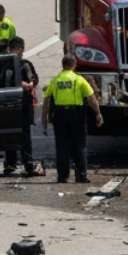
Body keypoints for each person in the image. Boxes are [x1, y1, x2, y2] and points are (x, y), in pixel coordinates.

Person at [41, 54, 102, 184]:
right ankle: (81, 175)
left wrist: (44, 117)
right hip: (77, 115)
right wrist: (98, 113)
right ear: (74, 65)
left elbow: (47, 99)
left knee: (62, 146)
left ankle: (62, 176)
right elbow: (91, 98)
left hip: (59, 115)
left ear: (63, 65)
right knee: (79, 145)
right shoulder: (79, 79)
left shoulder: (55, 80)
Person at [1, 37, 41, 177]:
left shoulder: (20, 65)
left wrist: (29, 85)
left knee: (21, 133)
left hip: (16, 103)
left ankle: (22, 163)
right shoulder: (10, 65)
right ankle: (17, 162)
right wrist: (24, 85)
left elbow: (33, 80)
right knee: (18, 134)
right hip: (17, 103)